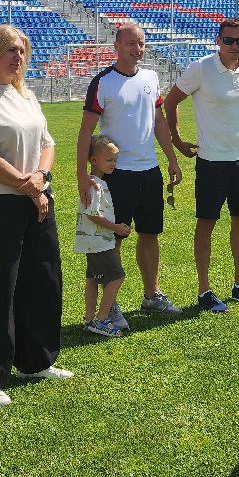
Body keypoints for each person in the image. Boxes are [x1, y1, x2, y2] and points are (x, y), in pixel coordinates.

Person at [0, 24, 72, 407]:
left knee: (42, 280)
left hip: (37, 197)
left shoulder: (27, 95)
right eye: (10, 50)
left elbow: (48, 143)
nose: (18, 57)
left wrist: (41, 179)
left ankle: (36, 361)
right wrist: (32, 186)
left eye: (22, 50)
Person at [75, 21, 184, 320]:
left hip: (149, 172)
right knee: (113, 239)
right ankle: (110, 304)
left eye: (141, 44)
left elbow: (159, 122)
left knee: (150, 234)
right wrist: (82, 174)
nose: (137, 49)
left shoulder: (151, 77)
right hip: (117, 175)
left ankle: (152, 295)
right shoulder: (103, 82)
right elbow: (86, 131)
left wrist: (171, 159)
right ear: (117, 46)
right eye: (130, 43)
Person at [162, 17, 239, 312]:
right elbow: (170, 103)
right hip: (212, 162)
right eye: (230, 40)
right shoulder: (201, 68)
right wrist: (178, 141)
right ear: (218, 41)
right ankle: (204, 290)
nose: (236, 46)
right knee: (206, 224)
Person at [77, 134, 132, 337]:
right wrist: (116, 228)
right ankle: (101, 320)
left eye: (115, 160)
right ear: (94, 160)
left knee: (92, 279)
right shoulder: (94, 185)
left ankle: (89, 319)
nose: (113, 164)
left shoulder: (94, 182)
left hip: (94, 242)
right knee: (117, 277)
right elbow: (93, 214)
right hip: (99, 242)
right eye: (109, 160)